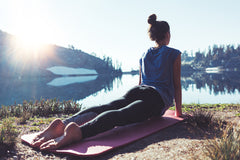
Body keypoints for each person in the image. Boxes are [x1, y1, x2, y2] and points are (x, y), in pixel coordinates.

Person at [31, 14, 182, 150]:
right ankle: (79, 132)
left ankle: (63, 124)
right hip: (155, 98)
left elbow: (141, 81)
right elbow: (176, 85)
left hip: (137, 91)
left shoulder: (144, 55)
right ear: (167, 34)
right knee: (122, 114)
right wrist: (178, 113)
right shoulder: (173, 53)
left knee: (107, 106)